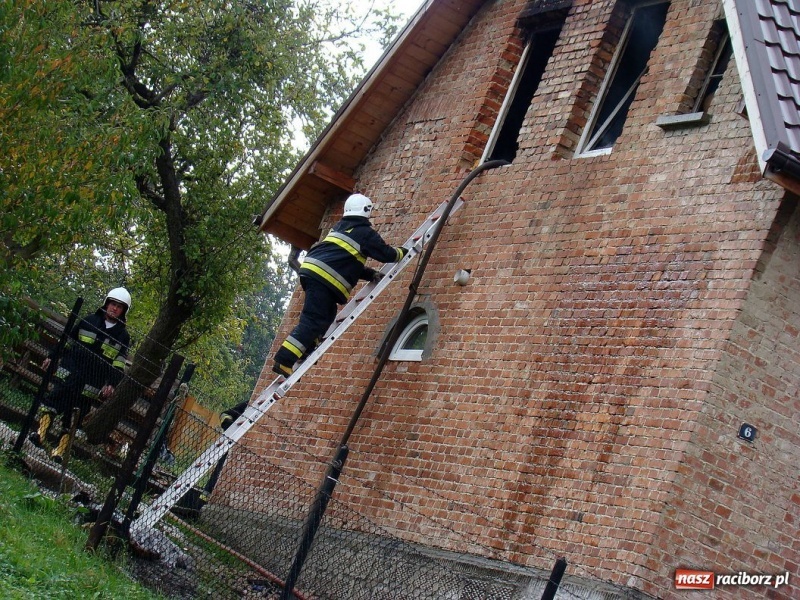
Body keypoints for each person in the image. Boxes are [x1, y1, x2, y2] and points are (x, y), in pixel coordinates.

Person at [273, 193, 407, 377]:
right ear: (366, 210)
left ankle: (304, 349)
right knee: (313, 319)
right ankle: (284, 360)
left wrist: (371, 274)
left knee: (327, 315)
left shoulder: (340, 228)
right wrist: (402, 252)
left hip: (314, 271)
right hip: (322, 278)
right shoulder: (363, 232)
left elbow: (347, 263)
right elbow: (386, 254)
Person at [31, 287, 132, 462]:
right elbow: (68, 341)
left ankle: (59, 453)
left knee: (73, 419)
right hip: (69, 372)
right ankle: (40, 435)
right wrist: (52, 357)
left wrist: (112, 384)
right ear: (106, 304)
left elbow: (118, 364)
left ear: (123, 311)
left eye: (119, 307)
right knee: (51, 403)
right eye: (112, 304)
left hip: (91, 383)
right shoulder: (88, 321)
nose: (114, 308)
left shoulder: (123, 337)